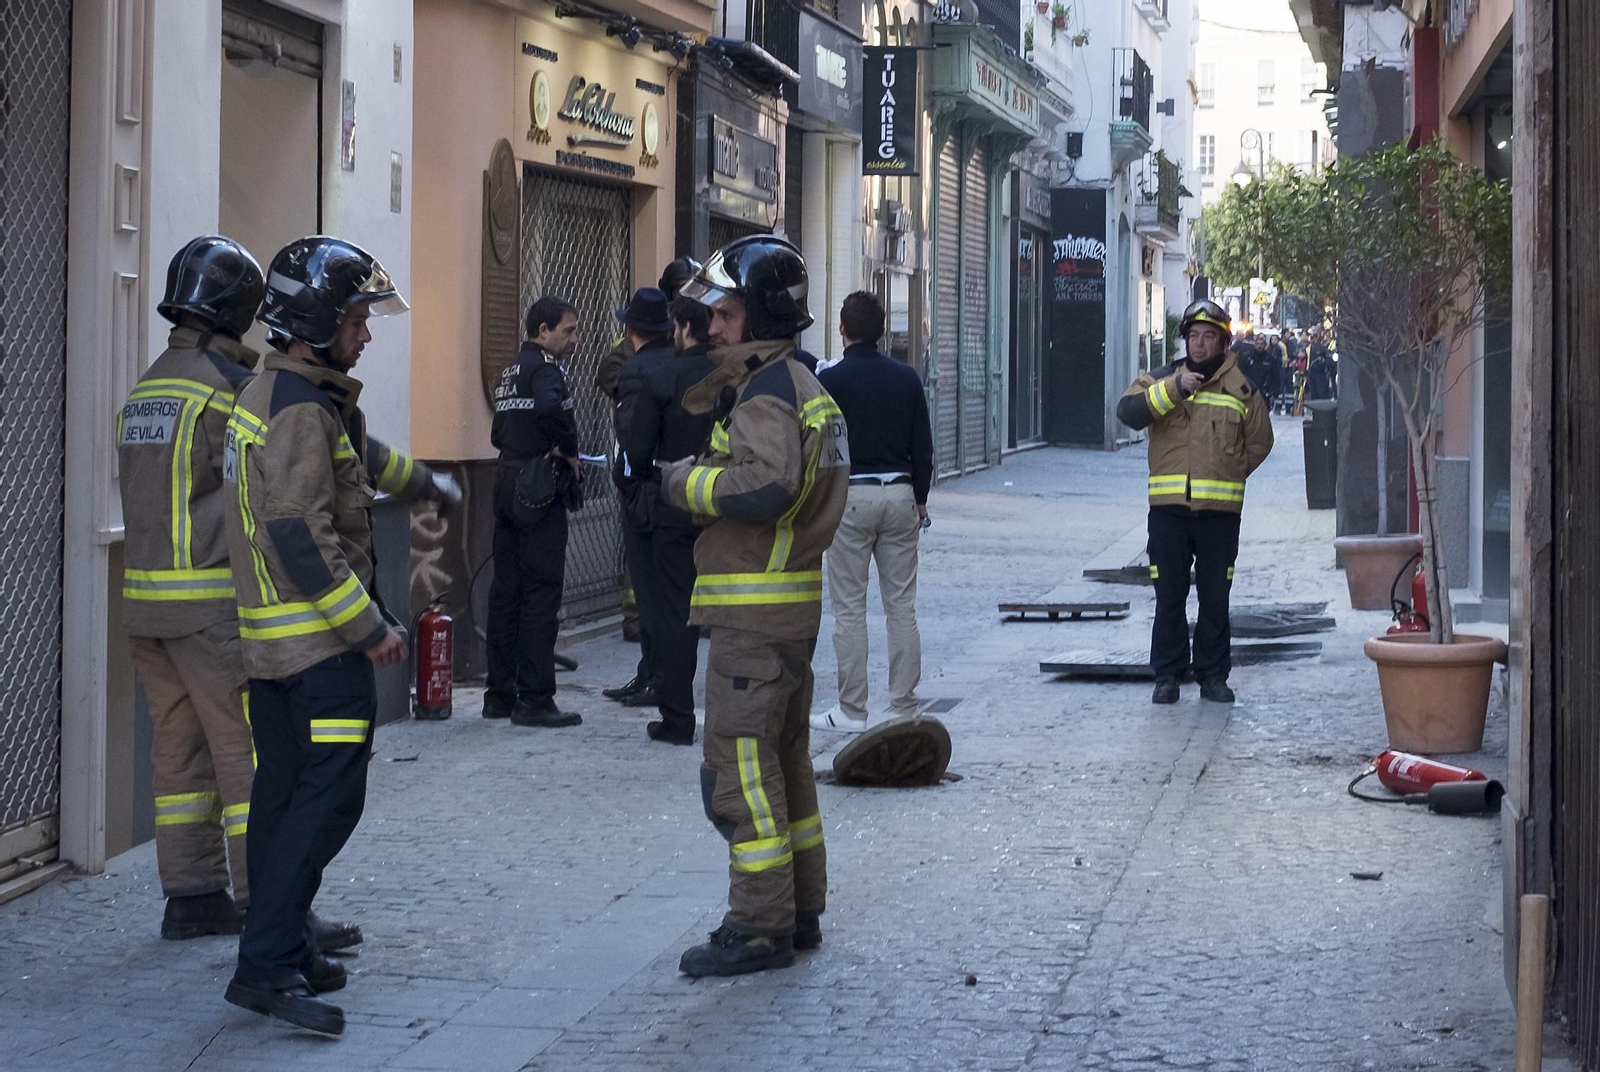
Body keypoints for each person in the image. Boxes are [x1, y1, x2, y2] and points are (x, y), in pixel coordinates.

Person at [222, 236, 457, 1035]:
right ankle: (265, 966)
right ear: (316, 321)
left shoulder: (275, 396)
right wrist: (367, 628)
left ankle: (284, 943)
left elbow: (341, 483)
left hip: (274, 651)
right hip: (319, 653)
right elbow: (297, 532)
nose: (367, 333)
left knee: (283, 799)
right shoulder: (296, 411)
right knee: (328, 802)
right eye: (357, 318)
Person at [122, 237, 366, 956]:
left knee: (179, 754)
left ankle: (191, 895)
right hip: (211, 602)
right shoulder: (229, 389)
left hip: (144, 603)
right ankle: (272, 907)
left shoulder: (149, 387)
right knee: (251, 759)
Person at [659, 235, 849, 977]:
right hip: (787, 614)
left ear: (764, 315)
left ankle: (759, 925)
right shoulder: (804, 388)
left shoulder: (768, 392)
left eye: (727, 314)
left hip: (752, 618)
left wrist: (684, 484)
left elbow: (765, 488)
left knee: (737, 774)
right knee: (786, 766)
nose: (713, 327)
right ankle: (799, 909)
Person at [1116, 299, 1274, 706]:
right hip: (1168, 511)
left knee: (1215, 598)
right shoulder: (1160, 379)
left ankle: (1213, 677)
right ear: (1184, 340)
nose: (1200, 344)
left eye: (1209, 337)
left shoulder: (1242, 388)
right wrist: (1173, 389)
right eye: (1193, 336)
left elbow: (1260, 442)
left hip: (1219, 515)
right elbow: (1128, 412)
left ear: (1223, 342)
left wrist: (1229, 472)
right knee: (1168, 596)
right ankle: (1167, 676)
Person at [812, 290, 934, 732]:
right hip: (900, 493)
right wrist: (920, 499)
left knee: (849, 608)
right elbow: (924, 447)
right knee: (901, 604)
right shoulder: (907, 379)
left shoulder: (832, 382)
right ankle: (904, 702)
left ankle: (851, 710)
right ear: (883, 331)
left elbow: (821, 450)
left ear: (842, 329)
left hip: (851, 496)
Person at [618, 296, 718, 745]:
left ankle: (678, 718)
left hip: (674, 506)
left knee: (678, 611)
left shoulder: (661, 376)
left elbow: (636, 453)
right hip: (727, 505)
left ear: (680, 326)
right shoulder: (730, 380)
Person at [486, 297, 584, 729]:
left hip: (507, 480)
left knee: (506, 592)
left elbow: (497, 432)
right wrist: (568, 449)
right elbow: (549, 408)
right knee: (541, 592)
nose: (574, 340)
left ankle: (499, 694)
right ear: (542, 331)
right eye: (568, 331)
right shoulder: (546, 369)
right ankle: (536, 700)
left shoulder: (511, 370)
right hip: (539, 485)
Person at [604, 288, 677, 711]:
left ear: (631, 329)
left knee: (649, 593)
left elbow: (634, 441)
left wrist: (625, 477)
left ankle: (655, 678)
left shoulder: (636, 370)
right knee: (662, 594)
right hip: (675, 488)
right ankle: (653, 675)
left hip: (643, 494)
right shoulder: (680, 365)